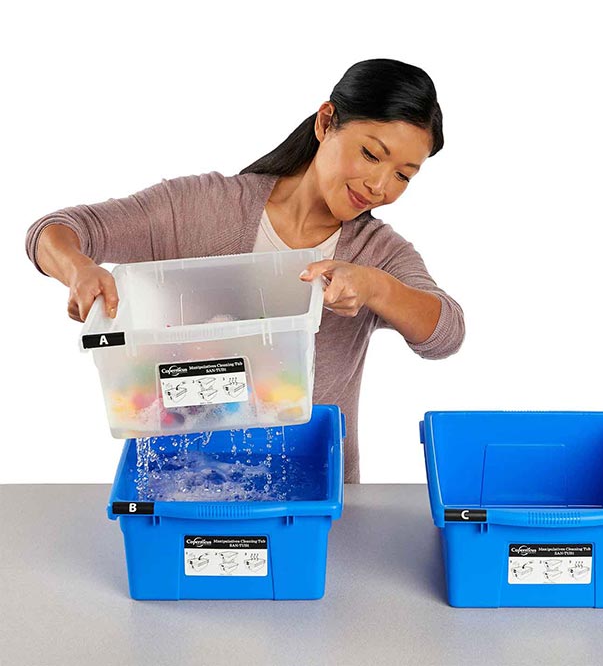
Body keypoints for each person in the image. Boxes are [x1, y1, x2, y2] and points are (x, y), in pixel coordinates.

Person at [25, 58, 464, 483]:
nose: (379, 186)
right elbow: (57, 230)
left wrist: (376, 288)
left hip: (314, 491)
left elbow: (446, 332)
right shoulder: (204, 208)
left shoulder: (376, 251)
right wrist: (78, 269)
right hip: (186, 482)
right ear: (326, 122)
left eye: (403, 176)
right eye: (371, 154)